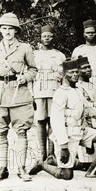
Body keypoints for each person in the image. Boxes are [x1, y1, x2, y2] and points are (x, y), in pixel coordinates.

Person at [29, 59, 96, 180]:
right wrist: (64, 147)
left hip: (81, 131)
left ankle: (92, 170)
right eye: (71, 72)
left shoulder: (77, 90)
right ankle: (42, 164)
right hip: (67, 136)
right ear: (64, 74)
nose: (75, 75)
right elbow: (56, 123)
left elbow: (91, 109)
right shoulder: (60, 93)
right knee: (66, 175)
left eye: (77, 72)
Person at [0, 13, 38, 182]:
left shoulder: (25, 48)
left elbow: (34, 69)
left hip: (19, 95)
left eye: (10, 29)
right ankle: (2, 168)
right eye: (4, 28)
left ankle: (22, 168)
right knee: (1, 133)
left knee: (21, 132)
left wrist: (26, 77)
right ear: (0, 30)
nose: (7, 32)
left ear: (16, 31)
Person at [32, 24, 66, 163]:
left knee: (53, 121)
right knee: (40, 121)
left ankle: (51, 155)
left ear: (53, 37)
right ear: (40, 38)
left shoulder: (60, 55)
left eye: (49, 36)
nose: (47, 38)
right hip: (39, 91)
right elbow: (31, 74)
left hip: (54, 92)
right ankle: (42, 154)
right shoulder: (34, 54)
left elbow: (64, 76)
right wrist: (31, 94)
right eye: (44, 36)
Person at [71, 19, 96, 84]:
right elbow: (73, 70)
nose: (90, 34)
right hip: (81, 82)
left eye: (92, 32)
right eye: (87, 33)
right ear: (83, 34)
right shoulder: (78, 50)